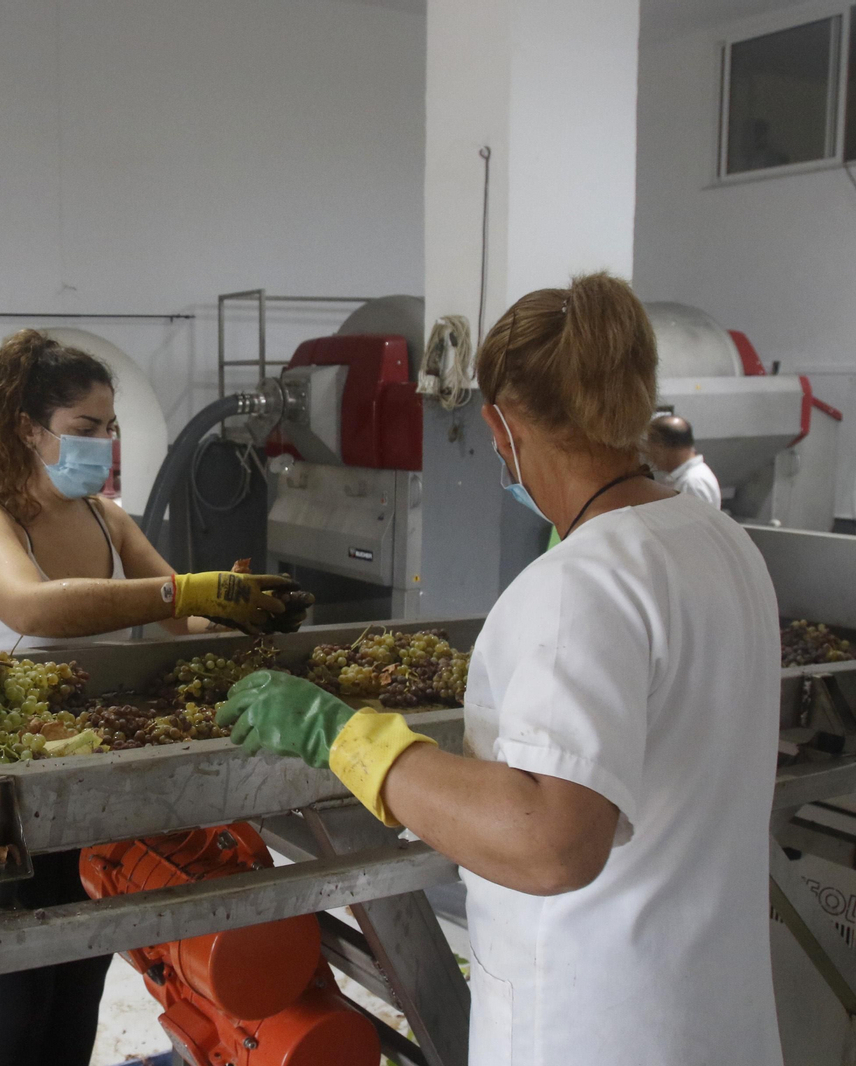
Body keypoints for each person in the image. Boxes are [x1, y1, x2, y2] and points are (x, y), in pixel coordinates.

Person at [219, 274, 781, 1065]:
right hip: (712, 1009)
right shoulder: (722, 543)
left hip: (594, 1020)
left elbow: (551, 841)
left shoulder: (581, 584)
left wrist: (342, 735)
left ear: (500, 425)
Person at [0, 329, 301, 1066]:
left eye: (109, 428)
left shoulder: (108, 518)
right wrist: (185, 586)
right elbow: (36, 608)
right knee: (23, 989)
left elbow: (183, 616)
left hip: (97, 784)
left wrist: (240, 609)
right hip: (13, 795)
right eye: (84, 429)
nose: (102, 445)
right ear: (28, 430)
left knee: (85, 968)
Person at [647, 413, 722, 507]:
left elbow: (696, 521)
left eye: (652, 448)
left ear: (660, 447)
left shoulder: (692, 483)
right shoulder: (690, 478)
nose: (650, 457)